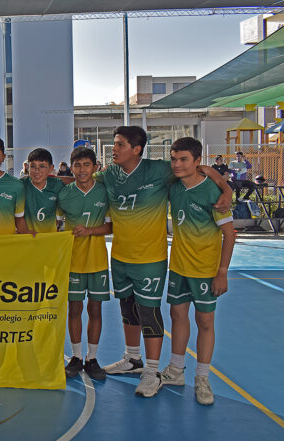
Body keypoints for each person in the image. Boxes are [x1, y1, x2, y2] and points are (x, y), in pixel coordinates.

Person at [96, 126, 231, 398]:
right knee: (142, 311)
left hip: (172, 262)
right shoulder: (168, 185)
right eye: (174, 159)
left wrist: (226, 188)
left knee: (184, 319)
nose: (177, 165)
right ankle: (149, 363)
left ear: (136, 149)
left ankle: (174, 374)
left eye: (119, 144)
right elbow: (82, 176)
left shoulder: (164, 173)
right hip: (161, 263)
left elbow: (203, 170)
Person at [162, 138, 235, 405]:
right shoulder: (174, 187)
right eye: (174, 159)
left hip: (205, 270)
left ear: (197, 162)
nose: (177, 164)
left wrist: (222, 272)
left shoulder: (212, 193)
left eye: (184, 160)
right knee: (177, 315)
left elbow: (230, 234)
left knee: (205, 322)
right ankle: (175, 370)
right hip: (179, 266)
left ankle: (202, 377)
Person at [57, 148, 111, 381]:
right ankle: (76, 357)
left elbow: (111, 227)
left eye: (86, 165)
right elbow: (56, 226)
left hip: (98, 260)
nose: (81, 170)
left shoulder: (104, 192)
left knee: (96, 309)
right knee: (75, 309)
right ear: (71, 167)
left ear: (95, 166)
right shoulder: (65, 194)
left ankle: (92, 358)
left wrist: (90, 231)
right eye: (77, 165)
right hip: (72, 260)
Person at [22, 148, 64, 233]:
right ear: (27, 167)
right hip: (27, 238)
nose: (37, 171)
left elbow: (77, 181)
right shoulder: (21, 185)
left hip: (49, 238)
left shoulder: (57, 185)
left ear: (50, 168)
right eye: (33, 166)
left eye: (42, 166)